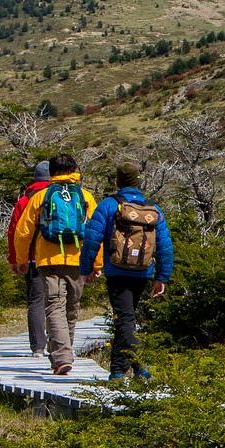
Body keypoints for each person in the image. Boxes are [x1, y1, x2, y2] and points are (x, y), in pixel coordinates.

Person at [8, 153, 97, 375]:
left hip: (48, 259)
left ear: (52, 172)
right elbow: (96, 233)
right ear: (74, 170)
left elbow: (23, 232)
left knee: (55, 306)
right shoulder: (85, 196)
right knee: (71, 308)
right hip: (78, 259)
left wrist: (21, 260)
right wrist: (97, 263)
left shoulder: (41, 196)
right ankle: (64, 354)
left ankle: (61, 357)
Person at [81, 163, 172, 381]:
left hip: (117, 271)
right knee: (126, 318)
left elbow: (92, 239)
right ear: (138, 182)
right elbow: (165, 246)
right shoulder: (152, 210)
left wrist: (86, 269)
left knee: (124, 319)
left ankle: (126, 370)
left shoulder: (108, 205)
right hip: (143, 272)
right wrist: (162, 277)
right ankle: (128, 368)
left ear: (118, 182)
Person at [5, 160, 52, 358]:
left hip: (33, 258)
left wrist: (16, 259)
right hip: (58, 256)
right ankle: (60, 345)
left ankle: (38, 347)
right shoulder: (61, 196)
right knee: (58, 301)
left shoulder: (25, 200)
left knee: (36, 301)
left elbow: (14, 232)